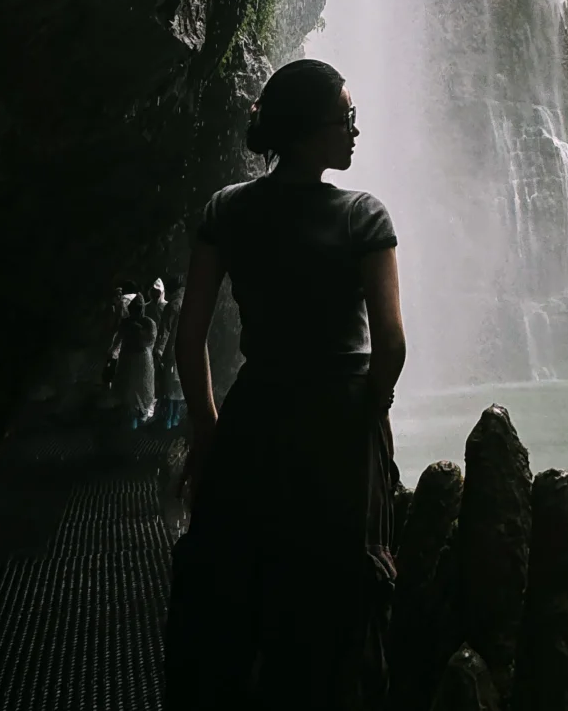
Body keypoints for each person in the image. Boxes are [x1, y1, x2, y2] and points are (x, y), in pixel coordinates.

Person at [164, 59, 406, 711]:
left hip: (257, 412)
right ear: (305, 133)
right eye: (343, 120)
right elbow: (392, 342)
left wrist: (208, 428)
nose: (355, 131)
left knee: (241, 583)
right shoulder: (364, 217)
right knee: (341, 594)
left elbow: (187, 339)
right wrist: (373, 413)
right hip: (342, 418)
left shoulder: (226, 210)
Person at [113, 293, 158, 429]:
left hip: (133, 360)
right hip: (142, 361)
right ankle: (134, 424)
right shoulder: (148, 323)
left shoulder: (130, 323)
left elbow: (118, 340)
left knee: (131, 393)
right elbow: (151, 340)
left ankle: (131, 425)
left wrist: (113, 351)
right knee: (137, 393)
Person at [157, 278, 186, 430]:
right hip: (188, 349)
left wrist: (159, 350)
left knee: (170, 385)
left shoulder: (173, 304)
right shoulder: (190, 302)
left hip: (173, 350)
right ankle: (175, 417)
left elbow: (165, 330)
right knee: (180, 385)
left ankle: (168, 420)